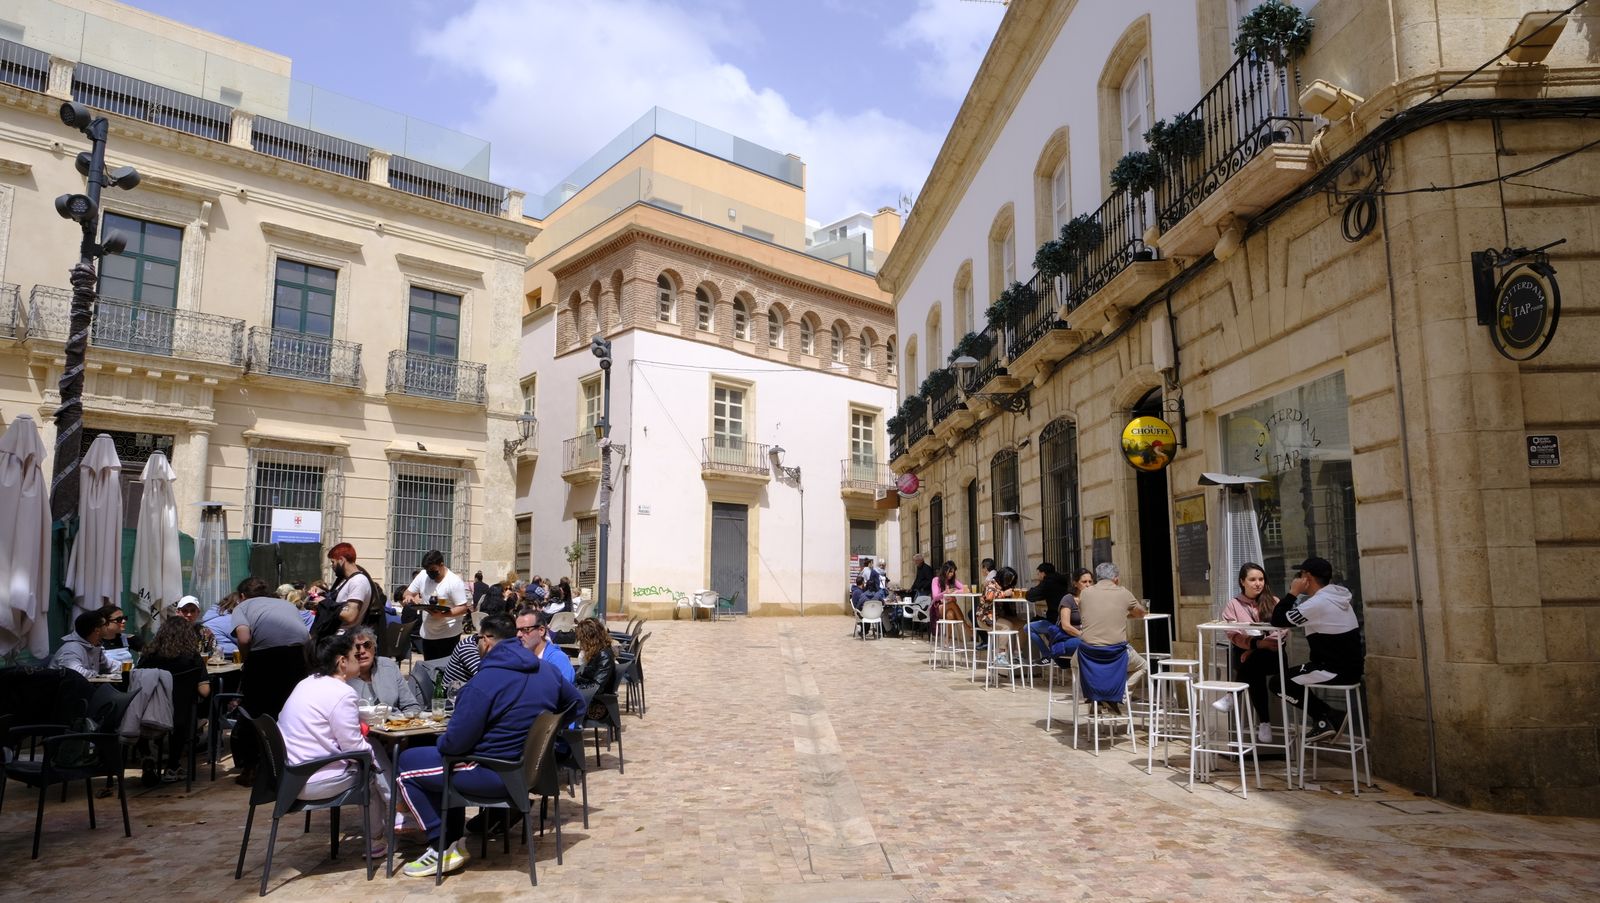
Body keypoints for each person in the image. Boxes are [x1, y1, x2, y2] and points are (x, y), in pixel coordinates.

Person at [396, 613, 584, 878]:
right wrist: (548, 731)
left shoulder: (484, 682)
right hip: (530, 771)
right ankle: (453, 839)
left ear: (485, 640)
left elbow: (454, 744)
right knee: (442, 765)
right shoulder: (548, 671)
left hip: (490, 772)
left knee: (406, 764)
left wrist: (441, 740)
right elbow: (577, 705)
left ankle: (441, 847)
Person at [278, 633, 387, 857]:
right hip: (313, 779)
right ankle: (378, 837)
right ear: (342, 661)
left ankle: (398, 815)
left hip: (288, 776)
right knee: (371, 766)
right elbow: (354, 748)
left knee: (371, 758)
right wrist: (375, 759)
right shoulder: (342, 693)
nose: (358, 658)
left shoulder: (305, 684)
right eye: (354, 655)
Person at [1270, 556, 1363, 743]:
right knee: (1290, 678)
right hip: (1350, 669)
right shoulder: (1339, 598)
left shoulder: (1317, 604)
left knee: (1278, 683)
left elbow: (1278, 621)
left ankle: (1326, 717)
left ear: (1307, 577)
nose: (1297, 578)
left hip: (1333, 670)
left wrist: (1293, 593)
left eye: (1300, 574)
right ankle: (1327, 717)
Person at [230, 576, 311, 784]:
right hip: (297, 658)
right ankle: (291, 765)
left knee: (254, 713)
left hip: (264, 659)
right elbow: (305, 635)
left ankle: (251, 768)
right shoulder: (286, 605)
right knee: (289, 711)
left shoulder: (243, 606)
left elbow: (244, 638)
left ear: (241, 596)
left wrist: (247, 660)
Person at [138, 611, 211, 781]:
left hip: (149, 714)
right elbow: (204, 691)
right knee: (186, 714)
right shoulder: (192, 658)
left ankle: (146, 755)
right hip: (178, 716)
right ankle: (172, 766)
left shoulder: (149, 655)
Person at [1219, 563, 1287, 743]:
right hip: (1245, 656)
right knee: (1253, 670)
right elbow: (1233, 634)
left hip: (1273, 656)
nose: (1258, 583)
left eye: (1261, 579)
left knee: (1253, 663)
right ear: (1242, 582)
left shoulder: (1274, 601)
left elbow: (1282, 631)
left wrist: (1255, 649)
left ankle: (1231, 697)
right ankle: (1264, 723)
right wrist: (1254, 646)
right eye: (1252, 579)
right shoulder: (1233, 605)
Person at [1075, 562, 1149, 711]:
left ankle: (1095, 698)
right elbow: (1141, 613)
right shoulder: (1123, 592)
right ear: (1116, 579)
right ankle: (1118, 695)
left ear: (1097, 578)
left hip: (1087, 654)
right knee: (1143, 666)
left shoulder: (1085, 593)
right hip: (1115, 654)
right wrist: (1124, 612)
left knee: (1076, 665)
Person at [403, 550, 472, 661]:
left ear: (441, 564)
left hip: (449, 634)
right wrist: (409, 597)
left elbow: (463, 608)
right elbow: (407, 592)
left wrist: (444, 615)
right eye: (427, 570)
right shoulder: (422, 576)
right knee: (430, 669)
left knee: (445, 671)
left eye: (433, 570)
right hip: (427, 633)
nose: (430, 573)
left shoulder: (454, 581)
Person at [346, 625, 422, 715]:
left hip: (394, 724)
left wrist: (404, 722)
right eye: (357, 647)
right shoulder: (343, 675)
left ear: (374, 647)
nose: (362, 651)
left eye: (367, 645)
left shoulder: (388, 666)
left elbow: (410, 705)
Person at [1029, 567, 1092, 661]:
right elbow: (1066, 626)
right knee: (1087, 645)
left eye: (1090, 582)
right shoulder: (1068, 599)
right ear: (1075, 583)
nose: (1088, 585)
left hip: (1087, 638)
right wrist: (1083, 635)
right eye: (1084, 582)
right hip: (1067, 639)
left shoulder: (1092, 600)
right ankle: (1047, 655)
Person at [326, 542, 380, 631]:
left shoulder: (358, 581)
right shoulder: (347, 580)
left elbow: (350, 616)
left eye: (333, 562)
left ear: (341, 560)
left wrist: (325, 605)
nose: (332, 566)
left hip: (342, 637)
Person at [572, 617, 618, 720]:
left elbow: (596, 687)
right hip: (592, 699)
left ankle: (570, 734)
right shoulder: (597, 652)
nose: (580, 643)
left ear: (589, 639)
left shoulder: (604, 656)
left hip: (597, 706)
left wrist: (573, 689)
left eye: (581, 639)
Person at [516, 608, 575, 685]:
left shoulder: (557, 660)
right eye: (517, 630)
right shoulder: (522, 658)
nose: (518, 635)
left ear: (541, 631)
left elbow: (561, 693)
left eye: (525, 629)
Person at [50, 609, 116, 677]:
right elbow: (75, 673)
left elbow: (108, 666)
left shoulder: (94, 645)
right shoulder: (71, 649)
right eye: (106, 624)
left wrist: (125, 667)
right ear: (97, 630)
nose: (108, 627)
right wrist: (100, 676)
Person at [201, 593, 241, 658]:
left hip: (213, 654)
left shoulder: (213, 616)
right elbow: (243, 640)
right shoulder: (228, 619)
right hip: (228, 656)